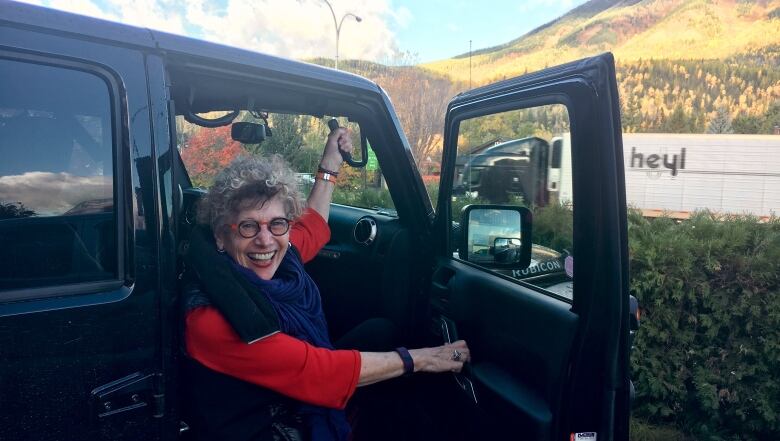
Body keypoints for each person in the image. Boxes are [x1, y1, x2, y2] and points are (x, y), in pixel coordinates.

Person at [180, 124, 470, 441]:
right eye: (248, 227)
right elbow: (318, 372)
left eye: (278, 224)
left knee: (380, 332)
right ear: (222, 236)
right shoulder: (210, 319)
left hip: (291, 392)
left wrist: (329, 164)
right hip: (267, 422)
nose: (265, 241)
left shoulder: (282, 254)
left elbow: (314, 224)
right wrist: (425, 358)